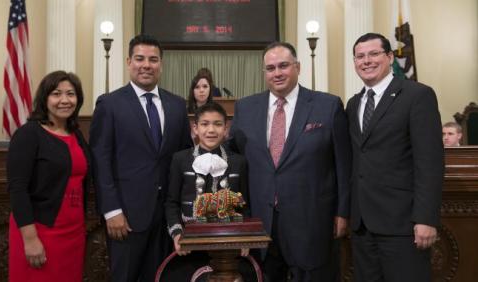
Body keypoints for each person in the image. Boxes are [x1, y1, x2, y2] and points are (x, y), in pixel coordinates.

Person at [229, 42, 351, 281]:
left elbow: (343, 165)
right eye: (270, 68)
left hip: (312, 221)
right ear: (264, 73)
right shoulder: (245, 108)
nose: (277, 73)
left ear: (298, 67)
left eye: (283, 65)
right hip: (261, 225)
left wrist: (343, 212)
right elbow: (235, 162)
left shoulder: (328, 106)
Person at [89, 34, 192, 281]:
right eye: (140, 58)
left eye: (153, 59)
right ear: (128, 62)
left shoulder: (177, 105)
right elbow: (100, 159)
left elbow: (183, 159)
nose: (146, 65)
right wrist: (111, 210)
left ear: (161, 64)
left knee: (163, 276)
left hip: (167, 217)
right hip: (126, 216)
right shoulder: (110, 104)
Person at [346, 33, 444, 282]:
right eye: (360, 56)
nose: (366, 61)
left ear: (390, 57)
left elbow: (429, 163)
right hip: (362, 226)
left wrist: (425, 218)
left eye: (374, 54)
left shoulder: (417, 95)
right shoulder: (353, 103)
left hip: (403, 225)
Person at [7, 71, 90, 282]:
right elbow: (17, 189)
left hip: (73, 232)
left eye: (71, 94)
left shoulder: (76, 133)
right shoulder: (28, 134)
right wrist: (30, 239)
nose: (64, 100)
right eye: (56, 94)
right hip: (39, 231)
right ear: (45, 99)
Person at [163, 102, 249, 280]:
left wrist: (245, 237)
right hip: (190, 241)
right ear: (195, 128)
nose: (211, 130)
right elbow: (172, 202)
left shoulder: (238, 162)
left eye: (217, 124)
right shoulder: (180, 159)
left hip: (228, 241)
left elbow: (245, 204)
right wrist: (177, 233)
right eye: (204, 124)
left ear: (226, 128)